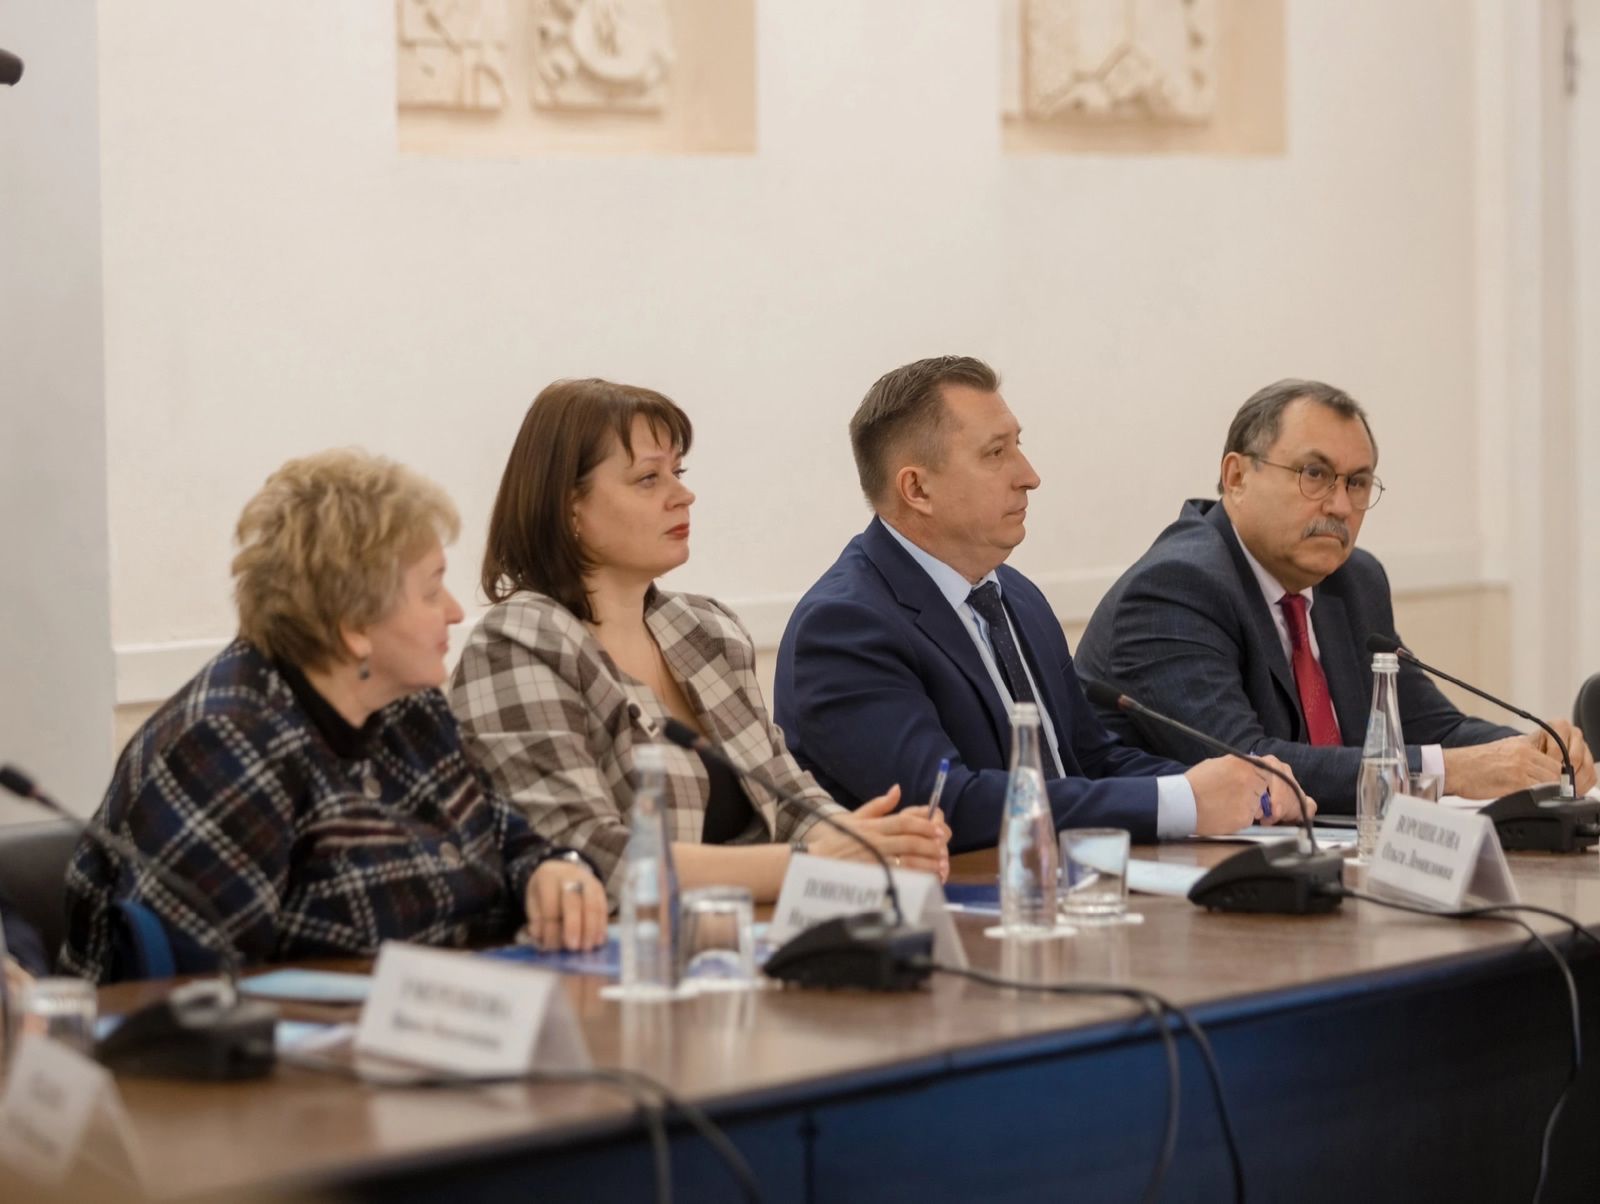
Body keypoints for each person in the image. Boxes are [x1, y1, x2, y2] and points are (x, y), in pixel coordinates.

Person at [61, 451, 605, 985]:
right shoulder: (227, 744)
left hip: (445, 1017)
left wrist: (554, 870)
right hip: (309, 1039)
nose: (455, 611)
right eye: (431, 590)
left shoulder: (409, 707)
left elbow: (510, 840)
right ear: (355, 627)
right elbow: (208, 996)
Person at [772, 356, 1311, 853]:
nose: (1029, 475)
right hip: (951, 906)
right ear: (917, 489)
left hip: (1067, 885)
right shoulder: (844, 627)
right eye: (996, 453)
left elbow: (1089, 760)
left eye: (1018, 445)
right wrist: (1182, 802)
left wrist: (1241, 786)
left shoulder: (1014, 595)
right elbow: (946, 805)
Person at [449, 379, 949, 903]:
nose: (682, 495)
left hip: (744, 932)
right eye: (648, 478)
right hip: (622, 946)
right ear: (569, 507)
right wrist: (807, 864)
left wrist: (871, 843)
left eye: (678, 473)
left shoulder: (705, 629)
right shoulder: (517, 645)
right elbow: (584, 855)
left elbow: (790, 801)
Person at [1074, 378, 1597, 810]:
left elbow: (1427, 724)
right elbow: (1249, 764)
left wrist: (1526, 749)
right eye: (1315, 474)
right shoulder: (1176, 587)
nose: (1341, 506)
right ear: (1236, 477)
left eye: (1358, 482)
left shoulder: (1354, 580)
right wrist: (1453, 770)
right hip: (1175, 877)